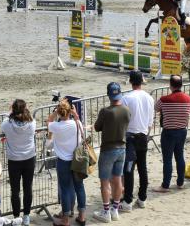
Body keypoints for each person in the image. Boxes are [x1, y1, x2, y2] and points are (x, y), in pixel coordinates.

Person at [92, 82, 130, 223]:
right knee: (117, 179)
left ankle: (106, 211)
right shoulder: (126, 110)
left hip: (108, 149)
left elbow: (97, 127)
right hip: (122, 148)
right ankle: (115, 209)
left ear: (109, 95)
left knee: (105, 181)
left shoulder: (105, 111)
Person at [47, 99, 86, 226]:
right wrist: (76, 115)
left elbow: (49, 121)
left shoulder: (56, 126)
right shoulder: (77, 123)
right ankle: (82, 216)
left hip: (63, 161)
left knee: (65, 189)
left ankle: (65, 220)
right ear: (70, 111)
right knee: (79, 187)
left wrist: (55, 112)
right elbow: (82, 133)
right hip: (76, 159)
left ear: (59, 112)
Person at [120, 71, 154, 211]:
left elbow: (122, 119)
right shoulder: (149, 98)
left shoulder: (126, 98)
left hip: (130, 136)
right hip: (143, 135)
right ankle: (142, 197)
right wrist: (147, 135)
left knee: (129, 169)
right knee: (142, 168)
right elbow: (150, 122)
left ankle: (128, 200)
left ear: (131, 82)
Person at [154, 75, 190, 193]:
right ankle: (180, 183)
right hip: (182, 131)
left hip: (168, 132)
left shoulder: (164, 99)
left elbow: (156, 108)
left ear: (170, 85)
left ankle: (165, 185)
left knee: (167, 159)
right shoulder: (189, 99)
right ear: (181, 84)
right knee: (180, 156)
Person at [1, 99, 36, 226]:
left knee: (15, 190)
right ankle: (26, 215)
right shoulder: (31, 123)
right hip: (29, 158)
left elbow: (4, 124)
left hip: (14, 160)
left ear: (13, 110)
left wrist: (9, 112)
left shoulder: (7, 124)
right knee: (28, 188)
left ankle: (16, 216)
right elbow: (30, 118)